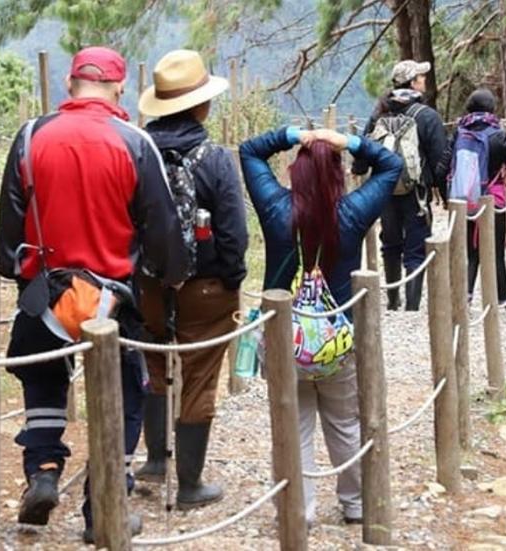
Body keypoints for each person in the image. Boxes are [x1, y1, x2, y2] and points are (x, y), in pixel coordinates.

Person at [0, 46, 189, 543]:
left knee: (41, 384)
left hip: (44, 293)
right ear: (120, 87)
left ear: (70, 83)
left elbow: (8, 233)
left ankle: (41, 469)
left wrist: (23, 278)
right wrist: (171, 275)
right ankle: (104, 509)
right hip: (111, 300)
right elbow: (163, 230)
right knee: (124, 400)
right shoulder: (134, 142)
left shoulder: (30, 136)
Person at [240, 125, 402, 524]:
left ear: (295, 172)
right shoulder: (352, 213)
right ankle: (356, 505)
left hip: (283, 339)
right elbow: (391, 164)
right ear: (338, 175)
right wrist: (346, 141)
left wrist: (296, 134)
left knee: (293, 424)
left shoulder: (276, 209)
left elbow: (249, 151)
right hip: (338, 338)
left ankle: (300, 509)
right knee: (345, 422)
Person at [132, 50, 248, 509]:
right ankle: (189, 485)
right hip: (207, 287)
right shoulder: (215, 159)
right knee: (199, 379)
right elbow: (233, 233)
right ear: (201, 105)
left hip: (148, 285)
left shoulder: (136, 151)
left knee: (155, 367)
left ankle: (155, 462)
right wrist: (231, 279)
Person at [354, 60, 449, 311]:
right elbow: (441, 158)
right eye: (421, 76)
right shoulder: (427, 116)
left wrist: (361, 172)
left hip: (383, 189)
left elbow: (363, 153)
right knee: (417, 244)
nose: (424, 80)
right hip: (416, 191)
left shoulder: (379, 113)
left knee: (391, 242)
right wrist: (445, 195)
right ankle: (413, 305)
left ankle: (393, 299)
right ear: (413, 83)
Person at [451, 88, 506, 303]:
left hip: (466, 198)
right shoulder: (502, 137)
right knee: (496, 252)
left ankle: (466, 294)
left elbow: (446, 164)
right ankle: (501, 296)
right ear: (492, 109)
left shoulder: (460, 133)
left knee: (472, 251)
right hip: (495, 198)